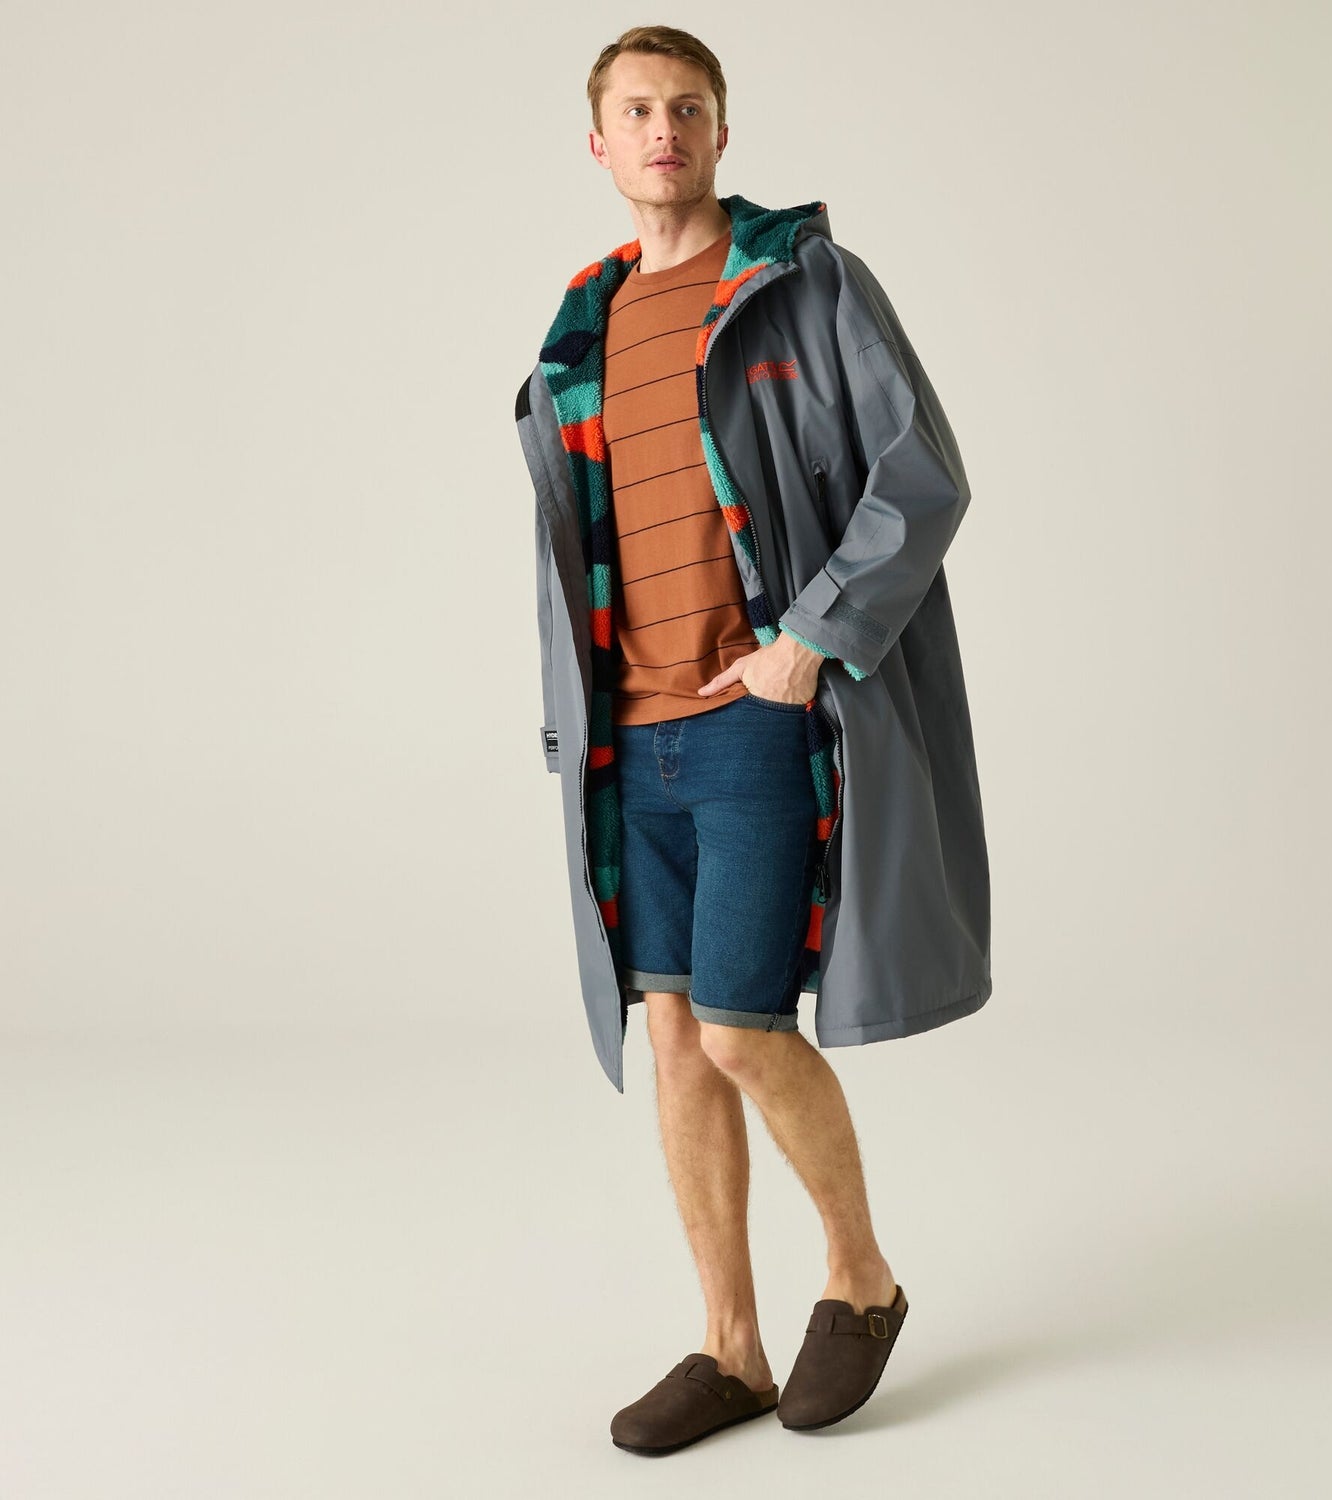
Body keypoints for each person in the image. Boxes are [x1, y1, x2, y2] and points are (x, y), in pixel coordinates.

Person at [515, 24, 991, 1453]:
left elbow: (921, 472)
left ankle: (862, 1278)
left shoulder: (800, 280)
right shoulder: (581, 329)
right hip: (631, 740)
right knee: (674, 1036)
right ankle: (730, 1347)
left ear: (721, 134)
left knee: (739, 1027)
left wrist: (807, 643)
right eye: (637, 111)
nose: (663, 130)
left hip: (753, 723)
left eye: (688, 107)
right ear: (598, 144)